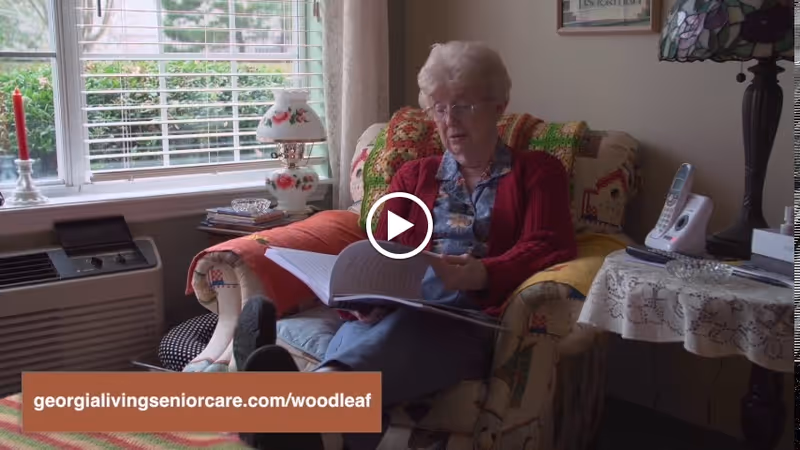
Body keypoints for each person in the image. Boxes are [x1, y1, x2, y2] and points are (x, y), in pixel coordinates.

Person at [233, 40, 578, 450]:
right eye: (440, 108)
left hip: (470, 320)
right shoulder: (413, 179)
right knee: (381, 322)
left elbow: (549, 244)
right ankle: (309, 430)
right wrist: (362, 297)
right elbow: (387, 250)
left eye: (464, 106)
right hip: (399, 311)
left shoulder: (537, 173)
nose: (450, 120)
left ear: (498, 106)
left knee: (424, 308)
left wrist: (481, 272)